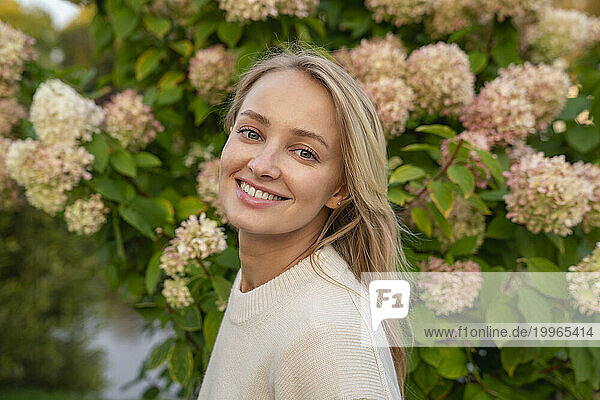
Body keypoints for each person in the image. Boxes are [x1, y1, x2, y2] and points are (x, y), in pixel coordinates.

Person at [198, 43, 413, 400]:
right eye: (251, 133)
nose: (261, 165)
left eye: (304, 152)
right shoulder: (263, 280)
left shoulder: (327, 335)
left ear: (341, 189)